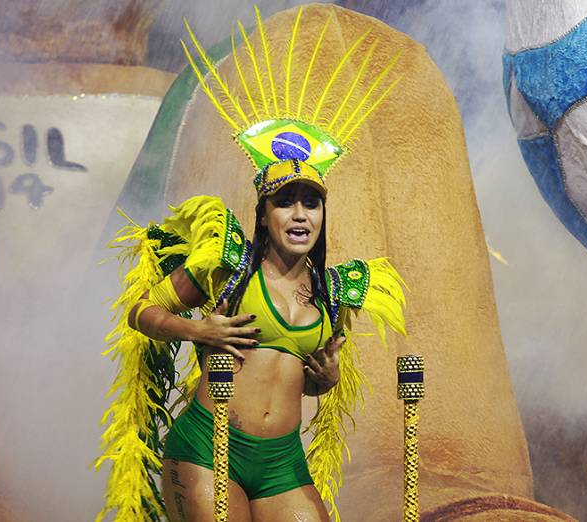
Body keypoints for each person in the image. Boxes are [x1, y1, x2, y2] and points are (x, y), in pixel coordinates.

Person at [95, 6, 405, 521]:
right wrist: (198, 332)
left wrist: (322, 379)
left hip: (283, 463)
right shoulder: (228, 262)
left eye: (312, 202)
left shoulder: (334, 290)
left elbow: (297, 380)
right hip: (208, 449)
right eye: (286, 202)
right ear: (263, 216)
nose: (300, 214)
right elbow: (140, 310)